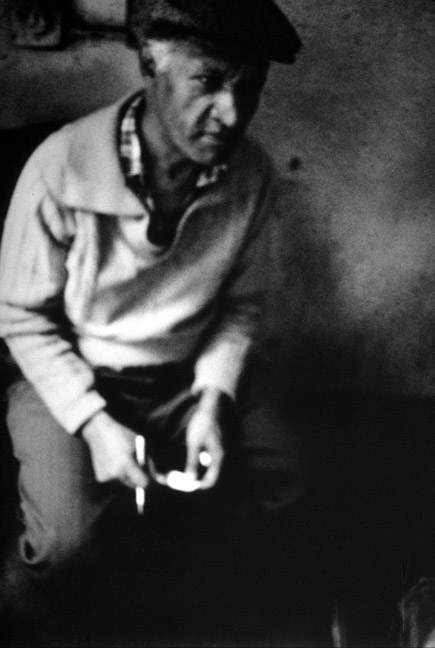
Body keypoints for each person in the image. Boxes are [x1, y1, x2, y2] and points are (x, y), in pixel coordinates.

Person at [0, 0, 314, 644]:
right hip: (71, 368)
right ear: (150, 64)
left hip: (186, 368)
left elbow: (242, 307)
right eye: (208, 80)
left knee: (288, 478)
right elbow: (21, 319)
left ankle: (236, 608)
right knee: (67, 548)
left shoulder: (251, 174)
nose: (231, 113)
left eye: (249, 88)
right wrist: (94, 423)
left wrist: (212, 398)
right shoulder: (60, 165)